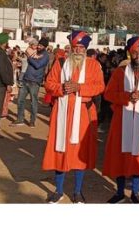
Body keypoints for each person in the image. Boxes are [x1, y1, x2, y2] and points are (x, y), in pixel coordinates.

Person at [42, 31, 105, 204]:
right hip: (61, 113)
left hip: (83, 115)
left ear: (86, 49)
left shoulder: (93, 65)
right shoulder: (60, 62)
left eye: (81, 48)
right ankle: (59, 190)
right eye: (75, 47)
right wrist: (62, 88)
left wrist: (79, 87)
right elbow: (49, 83)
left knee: (79, 152)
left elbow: (100, 87)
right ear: (70, 48)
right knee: (59, 150)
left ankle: (77, 192)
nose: (78, 51)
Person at [102, 36, 139, 204]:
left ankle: (135, 192)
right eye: (134, 52)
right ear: (129, 53)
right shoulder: (119, 73)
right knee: (120, 155)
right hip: (121, 118)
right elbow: (108, 94)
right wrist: (126, 96)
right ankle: (120, 192)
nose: (137, 56)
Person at [12, 38, 50, 127]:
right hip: (26, 79)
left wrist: (29, 58)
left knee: (34, 102)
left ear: (45, 47)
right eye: (38, 45)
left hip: (35, 81)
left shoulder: (46, 56)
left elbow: (38, 65)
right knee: (20, 100)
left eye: (41, 46)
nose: (39, 47)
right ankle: (20, 119)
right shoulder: (34, 52)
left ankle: (32, 121)